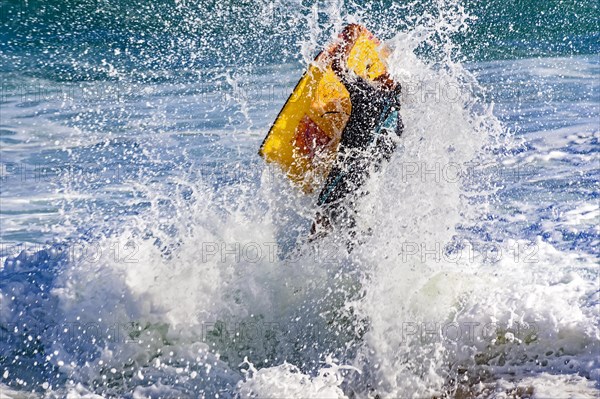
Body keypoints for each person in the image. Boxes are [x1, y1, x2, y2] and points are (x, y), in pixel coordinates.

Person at [310, 24, 403, 240]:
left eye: (384, 74)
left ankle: (304, 259)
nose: (379, 73)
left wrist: (350, 38)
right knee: (354, 223)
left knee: (322, 212)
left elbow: (338, 67)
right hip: (367, 178)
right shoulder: (397, 119)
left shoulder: (365, 93)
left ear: (387, 84)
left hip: (347, 169)